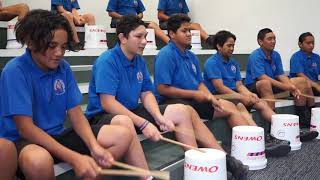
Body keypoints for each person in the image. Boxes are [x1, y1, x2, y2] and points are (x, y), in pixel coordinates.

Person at [85, 14, 249, 180]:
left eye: (146, 37)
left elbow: (147, 93)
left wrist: (158, 117)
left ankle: (196, 167)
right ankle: (147, 177)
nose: (144, 42)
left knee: (182, 111)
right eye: (139, 37)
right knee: (125, 121)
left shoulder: (138, 60)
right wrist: (143, 124)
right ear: (122, 38)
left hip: (130, 110)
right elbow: (107, 103)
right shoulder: (107, 60)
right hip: (105, 117)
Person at [0, 9, 151, 180]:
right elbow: (25, 128)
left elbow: (76, 114)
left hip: (57, 135)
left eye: (63, 47)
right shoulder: (15, 70)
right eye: (51, 46)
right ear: (31, 42)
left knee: (123, 135)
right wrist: (74, 157)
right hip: (24, 141)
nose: (59, 53)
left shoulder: (63, 67)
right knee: (39, 160)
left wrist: (94, 146)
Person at [153, 14, 290, 157]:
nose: (189, 34)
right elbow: (162, 89)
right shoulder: (166, 54)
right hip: (174, 101)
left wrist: (210, 97)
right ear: (172, 34)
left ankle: (255, 143)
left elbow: (199, 83)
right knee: (237, 104)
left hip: (194, 98)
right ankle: (250, 145)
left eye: (190, 31)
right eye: (184, 31)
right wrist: (197, 94)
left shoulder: (191, 56)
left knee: (230, 106)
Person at [244, 28, 318, 142]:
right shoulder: (255, 55)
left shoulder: (276, 55)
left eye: (274, 38)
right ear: (260, 41)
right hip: (255, 86)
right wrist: (285, 87)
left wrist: (291, 86)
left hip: (272, 83)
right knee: (265, 83)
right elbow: (262, 77)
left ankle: (302, 123)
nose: (273, 41)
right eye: (269, 39)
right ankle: (272, 129)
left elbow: (280, 75)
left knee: (301, 81)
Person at [290, 32, 320, 129]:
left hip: (314, 85)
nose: (311, 45)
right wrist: (316, 86)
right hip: (300, 87)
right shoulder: (296, 57)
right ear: (300, 44)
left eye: (313, 43)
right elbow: (300, 75)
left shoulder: (316, 57)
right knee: (304, 83)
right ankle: (306, 119)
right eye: (308, 43)